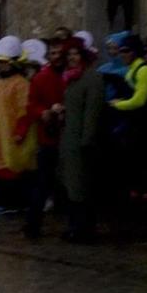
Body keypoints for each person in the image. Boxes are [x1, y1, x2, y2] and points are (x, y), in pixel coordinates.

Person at [58, 39, 105, 241]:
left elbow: (92, 111)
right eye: (69, 55)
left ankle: (84, 229)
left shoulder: (92, 78)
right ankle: (75, 226)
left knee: (81, 185)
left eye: (75, 54)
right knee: (71, 185)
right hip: (69, 138)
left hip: (81, 141)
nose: (72, 59)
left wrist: (87, 139)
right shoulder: (71, 79)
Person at [0, 35, 37, 211]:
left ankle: (16, 202)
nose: (1, 65)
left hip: (14, 135)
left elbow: (25, 110)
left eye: (4, 62)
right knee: (0, 166)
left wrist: (20, 131)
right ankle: (3, 201)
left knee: (15, 167)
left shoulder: (21, 84)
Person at [109, 33, 147, 213]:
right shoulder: (132, 69)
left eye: (125, 51)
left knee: (142, 163)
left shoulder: (143, 70)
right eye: (120, 51)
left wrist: (118, 104)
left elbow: (139, 100)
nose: (122, 54)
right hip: (134, 124)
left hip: (144, 125)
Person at [24, 37, 67, 239]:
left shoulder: (72, 75)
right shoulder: (41, 78)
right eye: (53, 53)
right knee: (42, 184)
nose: (57, 57)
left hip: (69, 137)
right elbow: (31, 105)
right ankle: (33, 224)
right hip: (48, 137)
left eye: (60, 53)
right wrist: (44, 112)